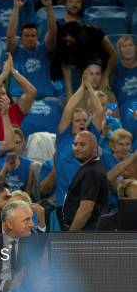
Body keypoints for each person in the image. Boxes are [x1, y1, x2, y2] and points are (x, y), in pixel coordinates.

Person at [55, 73, 104, 225]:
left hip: (87, 201)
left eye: (84, 120)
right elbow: (68, 109)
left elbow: (100, 112)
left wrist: (90, 88)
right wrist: (81, 87)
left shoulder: (91, 136)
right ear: (70, 124)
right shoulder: (63, 138)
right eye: (77, 120)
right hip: (64, 204)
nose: (81, 122)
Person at [6, 0, 57, 99]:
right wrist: (16, 8)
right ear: (21, 38)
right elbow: (10, 36)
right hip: (20, 97)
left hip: (46, 97)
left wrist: (48, 7)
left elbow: (53, 33)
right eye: (27, 35)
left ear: (37, 37)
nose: (30, 38)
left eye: (33, 35)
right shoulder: (15, 52)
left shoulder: (44, 50)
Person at [51, 21, 117, 96]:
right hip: (84, 64)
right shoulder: (65, 42)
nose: (68, 44)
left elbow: (113, 54)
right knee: (84, 94)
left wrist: (105, 76)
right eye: (66, 42)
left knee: (102, 93)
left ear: (76, 35)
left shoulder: (95, 33)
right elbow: (66, 65)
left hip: (104, 63)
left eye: (69, 41)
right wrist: (68, 91)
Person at [62, 131, 108, 232]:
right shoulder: (88, 168)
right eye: (75, 144)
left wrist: (71, 236)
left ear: (94, 148)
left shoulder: (92, 172)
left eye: (82, 144)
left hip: (88, 231)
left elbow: (85, 210)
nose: (77, 148)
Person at [0, 54, 36, 141]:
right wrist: (4, 74)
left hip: (11, 152)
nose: (0, 97)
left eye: (3, 94)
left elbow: (31, 92)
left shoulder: (15, 111)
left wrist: (12, 71)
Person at [0, 128, 36, 193]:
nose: (14, 146)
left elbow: (28, 193)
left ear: (23, 144)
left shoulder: (30, 165)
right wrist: (5, 169)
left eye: (17, 142)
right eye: (11, 142)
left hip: (20, 200)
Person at [112, 36, 136, 108]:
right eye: (124, 46)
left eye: (130, 45)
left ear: (135, 48)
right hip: (124, 110)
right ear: (119, 51)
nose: (128, 49)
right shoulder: (114, 71)